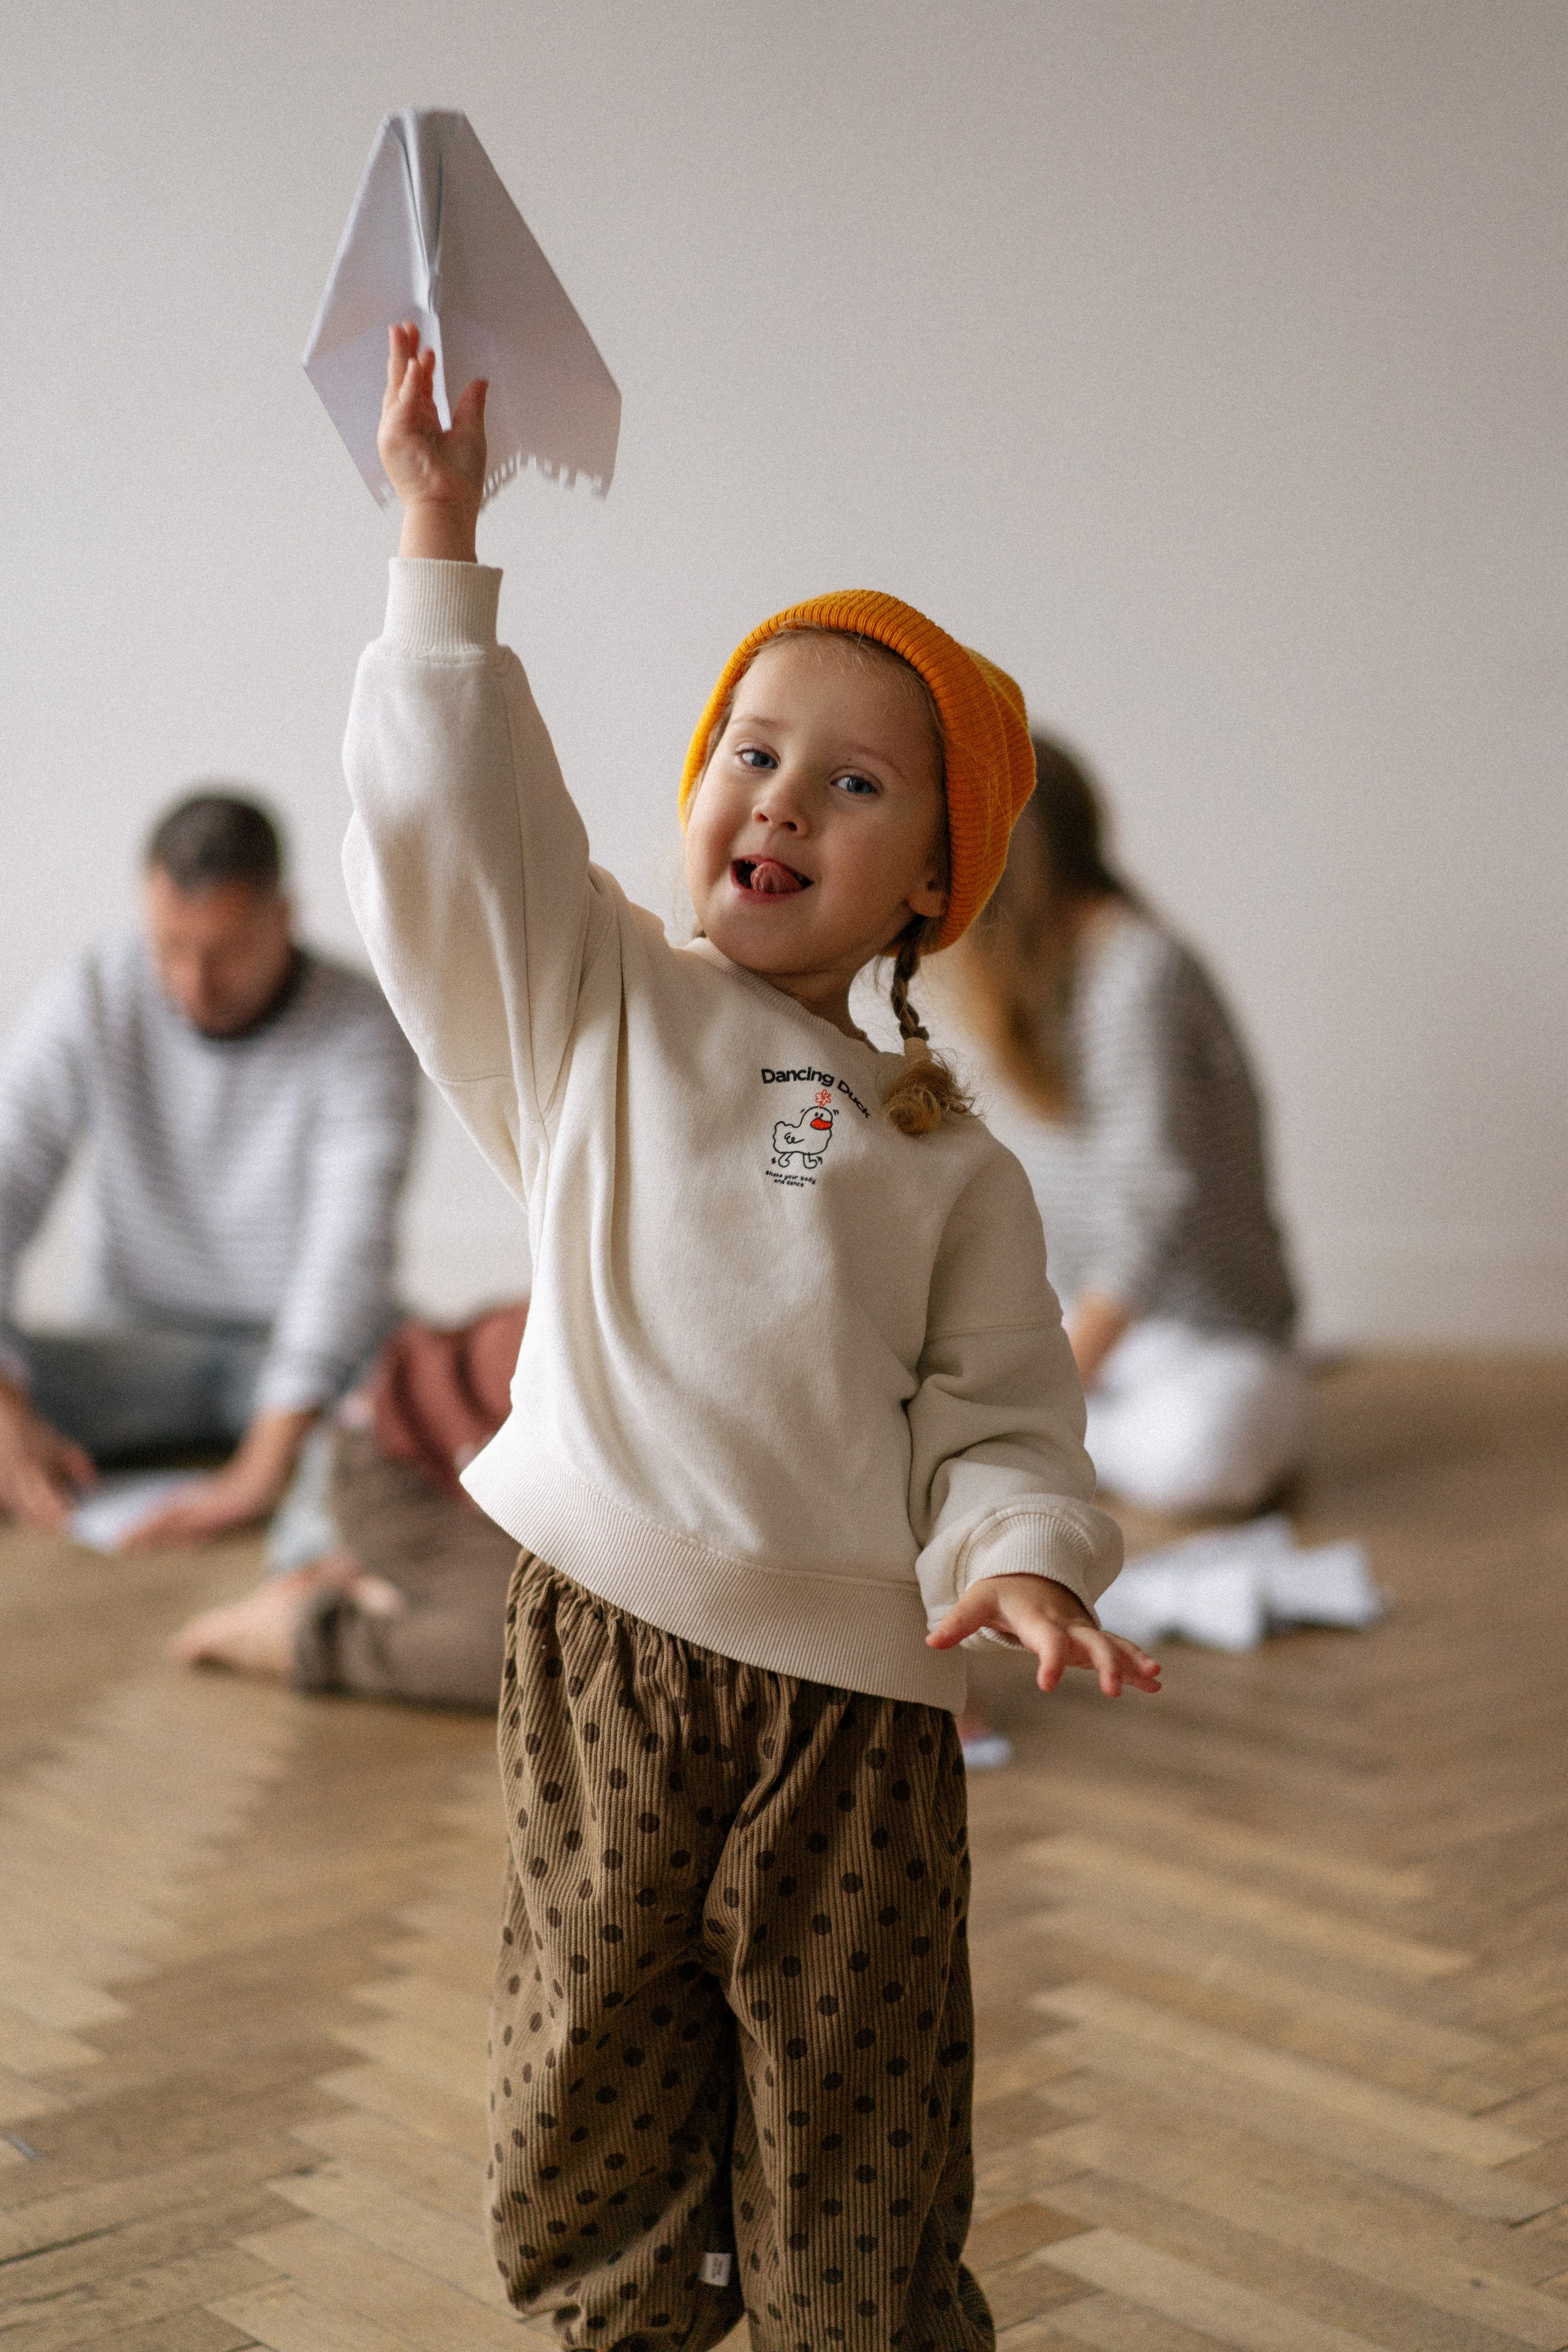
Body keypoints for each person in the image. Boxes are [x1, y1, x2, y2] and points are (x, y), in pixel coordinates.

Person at [344, 323, 1158, 2352]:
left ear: (932, 882)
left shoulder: (947, 1160)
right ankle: (623, 2325)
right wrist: (439, 540)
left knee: (853, 2106)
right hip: (605, 1645)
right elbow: (458, 846)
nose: (781, 798)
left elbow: (1000, 1411)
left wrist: (1031, 1560)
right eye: (754, 752)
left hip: (855, 1715)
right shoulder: (595, 998)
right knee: (588, 2063)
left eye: (856, 781)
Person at [0, 791, 418, 1546]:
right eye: (170, 948)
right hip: (132, 1347)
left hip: (305, 1359)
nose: (193, 983)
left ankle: (305, 1603)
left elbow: (345, 1259)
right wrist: (5, 1409)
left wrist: (258, 1474)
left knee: (409, 1435)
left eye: (221, 951)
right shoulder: (91, 996)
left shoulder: (362, 1029)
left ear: (282, 917)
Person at [944, 733, 1310, 1521]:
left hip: (1200, 1334)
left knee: (1207, 1456)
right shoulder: (1045, 982)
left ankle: (1038, 1443)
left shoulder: (1139, 971)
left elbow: (1151, 1198)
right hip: (1092, 1322)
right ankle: (1037, 1437)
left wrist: (1053, 1391)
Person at [172, 1302, 527, 1705]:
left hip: (482, 1472)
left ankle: (383, 1581)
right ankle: (311, 1634)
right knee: (552, 1655)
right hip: (396, 1462)